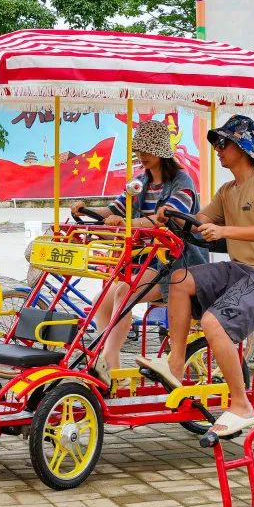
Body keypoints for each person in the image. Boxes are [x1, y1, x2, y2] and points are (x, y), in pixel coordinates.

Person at [138, 114, 254, 437]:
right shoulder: (227, 191)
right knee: (180, 280)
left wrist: (223, 230)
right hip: (240, 271)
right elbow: (198, 220)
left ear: (243, 147)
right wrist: (172, 216)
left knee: (213, 322)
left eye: (223, 143)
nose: (218, 149)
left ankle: (241, 405)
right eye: (217, 144)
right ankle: (175, 365)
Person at [70, 119, 208, 386]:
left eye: (147, 150)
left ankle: (105, 361)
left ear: (161, 151)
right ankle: (112, 369)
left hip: (177, 265)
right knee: (102, 298)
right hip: (146, 261)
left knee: (125, 292)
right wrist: (86, 210)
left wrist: (127, 223)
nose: (141, 155)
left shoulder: (183, 183)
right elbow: (114, 210)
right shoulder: (139, 182)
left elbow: (165, 219)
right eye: (139, 150)